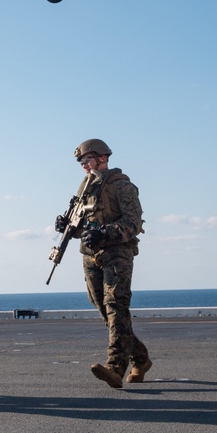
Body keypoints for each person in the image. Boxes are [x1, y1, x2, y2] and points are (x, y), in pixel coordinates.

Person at [64, 138, 149, 389]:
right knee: (105, 311)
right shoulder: (86, 187)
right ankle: (141, 358)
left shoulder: (122, 186)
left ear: (102, 157)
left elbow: (134, 223)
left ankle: (115, 367)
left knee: (116, 308)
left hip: (117, 253)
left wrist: (106, 232)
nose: (83, 165)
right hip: (91, 255)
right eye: (80, 161)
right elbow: (83, 223)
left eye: (86, 159)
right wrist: (68, 225)